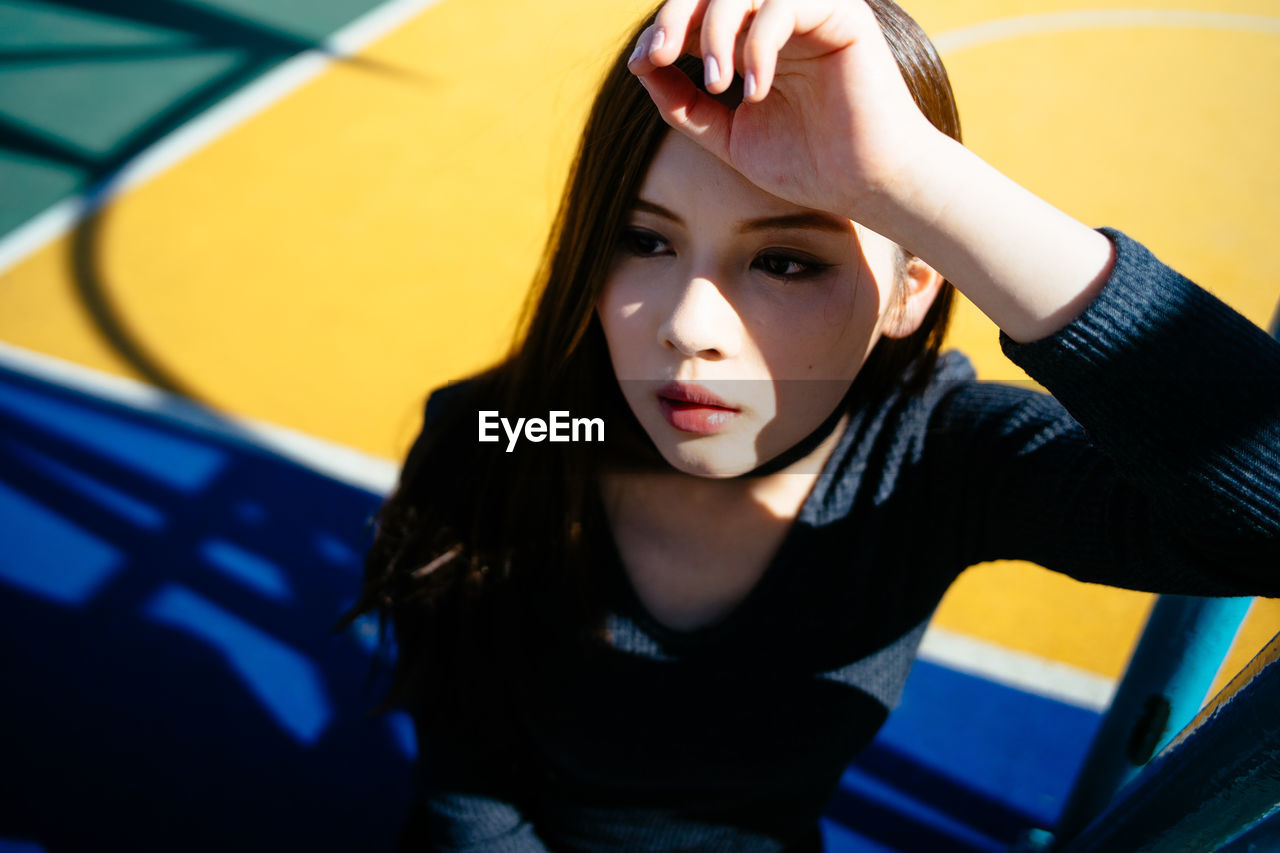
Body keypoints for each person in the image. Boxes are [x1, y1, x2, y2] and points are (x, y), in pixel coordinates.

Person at [334, 0, 1280, 850]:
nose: (688, 327)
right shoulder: (525, 439)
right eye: (644, 239)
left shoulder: (931, 467)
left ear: (914, 286)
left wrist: (917, 180)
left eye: (786, 260)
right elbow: (467, 796)